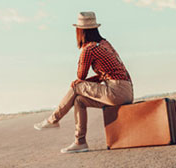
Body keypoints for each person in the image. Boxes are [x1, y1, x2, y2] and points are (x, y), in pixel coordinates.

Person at [34, 11, 134, 153]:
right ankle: (80, 142)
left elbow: (80, 75)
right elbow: (104, 76)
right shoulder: (105, 44)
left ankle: (53, 120)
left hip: (116, 91)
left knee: (77, 86)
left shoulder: (89, 49)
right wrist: (81, 84)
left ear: (80, 31)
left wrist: (78, 79)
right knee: (79, 100)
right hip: (126, 91)